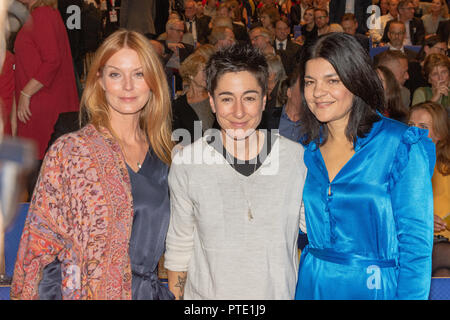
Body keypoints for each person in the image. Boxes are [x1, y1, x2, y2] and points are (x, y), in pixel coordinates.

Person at [11, 30, 174, 300]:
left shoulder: (165, 156)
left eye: (138, 73)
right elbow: (39, 254)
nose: (128, 86)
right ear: (99, 81)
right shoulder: (70, 153)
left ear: (154, 81)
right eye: (115, 74)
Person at [295, 32, 435, 300]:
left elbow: (415, 247)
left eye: (332, 80)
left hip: (374, 288)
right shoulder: (307, 152)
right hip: (314, 285)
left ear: (356, 81)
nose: (317, 92)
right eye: (310, 82)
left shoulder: (400, 145)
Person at [164, 43, 307, 300]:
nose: (238, 111)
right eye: (227, 98)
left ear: (264, 100)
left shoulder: (296, 159)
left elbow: (316, 228)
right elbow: (179, 248)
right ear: (212, 101)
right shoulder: (188, 162)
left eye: (249, 98)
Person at [14, 0, 79, 161]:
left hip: (41, 104)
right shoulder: (42, 14)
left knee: (41, 168)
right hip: (40, 102)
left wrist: (26, 93)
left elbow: (52, 60)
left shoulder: (42, 14)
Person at [408, 101, 450, 277]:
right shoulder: (398, 165)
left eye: (423, 127)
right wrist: (422, 219)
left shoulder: (445, 167)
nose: (414, 131)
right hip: (410, 241)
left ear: (439, 134)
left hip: (442, 241)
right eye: (410, 125)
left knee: (442, 271)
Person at [172, 52, 215, 146]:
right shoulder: (178, 106)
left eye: (209, 71)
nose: (207, 75)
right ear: (191, 75)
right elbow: (177, 138)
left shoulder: (215, 98)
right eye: (204, 71)